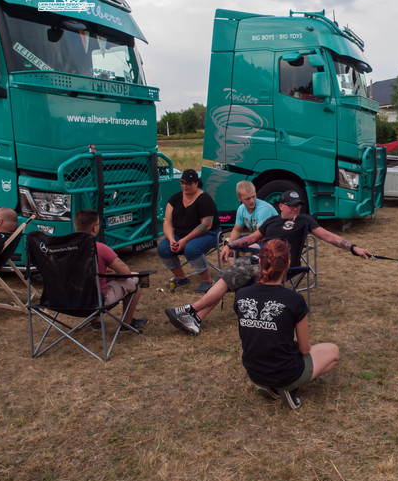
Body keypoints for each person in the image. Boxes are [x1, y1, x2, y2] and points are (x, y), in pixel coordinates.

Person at [164, 189, 372, 335]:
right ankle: (196, 319)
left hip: (282, 265)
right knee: (226, 276)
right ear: (281, 206)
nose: (296, 209)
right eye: (291, 206)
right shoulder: (271, 222)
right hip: (259, 260)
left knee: (231, 275)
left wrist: (353, 248)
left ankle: (191, 310)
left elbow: (329, 237)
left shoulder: (303, 221)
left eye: (298, 205)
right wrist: (231, 245)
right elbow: (251, 239)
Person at [234, 238, 339, 409]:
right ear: (288, 263)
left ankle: (272, 386)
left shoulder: (241, 294)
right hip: (285, 372)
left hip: (254, 371)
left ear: (260, 261)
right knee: (333, 351)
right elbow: (305, 349)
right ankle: (289, 388)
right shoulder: (294, 300)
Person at [73, 209, 147, 331]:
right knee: (134, 279)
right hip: (96, 301)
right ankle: (126, 323)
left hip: (68, 301)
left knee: (95, 280)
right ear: (94, 228)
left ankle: (96, 321)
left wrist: (103, 273)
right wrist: (111, 274)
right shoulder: (100, 248)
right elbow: (125, 273)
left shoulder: (64, 249)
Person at [157, 170, 222, 293]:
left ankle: (207, 281)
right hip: (180, 234)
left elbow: (206, 225)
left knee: (191, 248)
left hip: (208, 233)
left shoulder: (205, 200)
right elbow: (167, 222)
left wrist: (185, 240)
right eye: (182, 183)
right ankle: (181, 278)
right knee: (163, 248)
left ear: (196, 183)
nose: (184, 186)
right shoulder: (175, 199)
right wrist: (171, 240)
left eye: (188, 183)